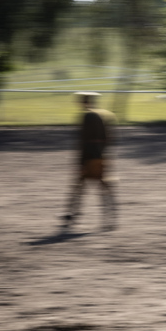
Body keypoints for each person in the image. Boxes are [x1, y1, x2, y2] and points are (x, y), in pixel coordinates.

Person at [62, 92, 117, 231]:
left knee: (78, 187)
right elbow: (109, 138)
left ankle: (72, 214)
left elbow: (83, 141)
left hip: (89, 157)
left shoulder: (86, 116)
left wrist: (80, 162)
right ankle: (111, 217)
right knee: (104, 188)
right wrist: (103, 153)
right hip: (101, 156)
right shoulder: (105, 114)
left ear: (83, 102)